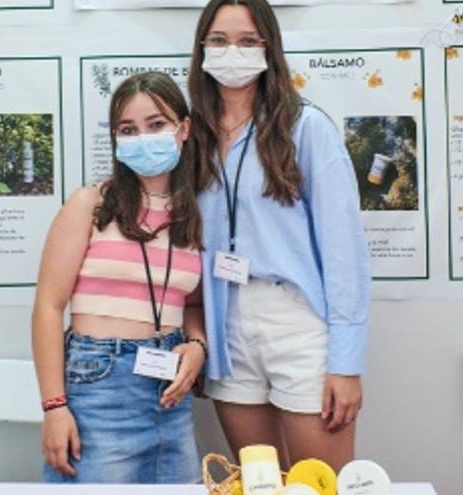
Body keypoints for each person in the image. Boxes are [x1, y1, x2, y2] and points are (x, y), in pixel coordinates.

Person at [188, 0, 371, 472]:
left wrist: (345, 364)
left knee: (319, 483)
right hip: (226, 321)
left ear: (270, 48)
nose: (234, 52)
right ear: (202, 49)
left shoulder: (304, 127)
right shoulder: (193, 138)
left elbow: (344, 251)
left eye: (248, 41)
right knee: (258, 481)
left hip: (296, 320)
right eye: (220, 41)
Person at [32, 71, 207, 483]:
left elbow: (193, 301)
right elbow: (48, 306)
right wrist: (54, 406)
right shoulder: (90, 204)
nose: (143, 137)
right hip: (100, 387)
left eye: (157, 125)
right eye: (128, 129)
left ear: (184, 129)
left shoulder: (193, 213)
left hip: (171, 393)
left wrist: (197, 345)